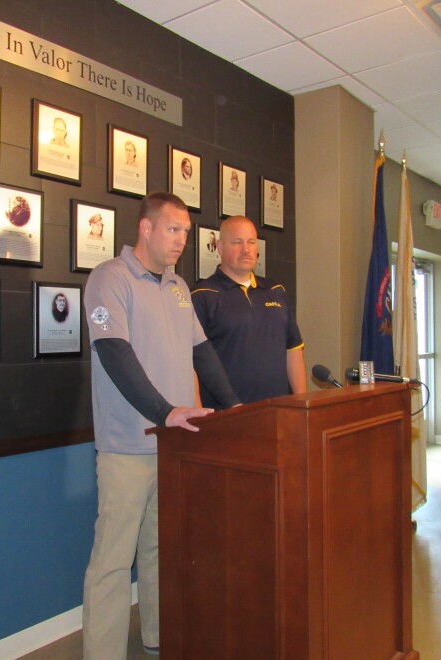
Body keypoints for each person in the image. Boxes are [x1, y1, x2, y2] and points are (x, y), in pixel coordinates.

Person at [82, 191, 240, 659]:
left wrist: (233, 407)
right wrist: (164, 411)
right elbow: (114, 353)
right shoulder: (108, 279)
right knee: (112, 563)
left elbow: (202, 352)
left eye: (187, 233)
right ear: (146, 228)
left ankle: (157, 636)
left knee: (158, 551)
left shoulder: (177, 286)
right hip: (127, 448)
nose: (181, 241)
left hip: (170, 447)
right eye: (174, 230)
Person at [192, 215, 307, 408]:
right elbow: (193, 363)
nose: (246, 249)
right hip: (227, 417)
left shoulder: (276, 291)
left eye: (251, 242)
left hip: (278, 413)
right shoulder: (202, 295)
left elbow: (293, 350)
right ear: (219, 247)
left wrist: (303, 404)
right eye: (237, 242)